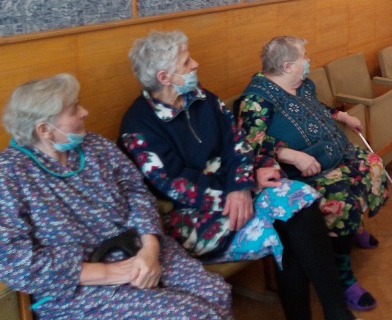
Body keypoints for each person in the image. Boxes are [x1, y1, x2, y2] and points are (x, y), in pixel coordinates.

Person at [120, 30, 356, 320]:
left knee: (300, 203)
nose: (195, 64)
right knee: (287, 231)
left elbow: (238, 143)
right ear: (164, 77)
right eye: (186, 62)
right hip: (193, 214)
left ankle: (335, 311)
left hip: (238, 188)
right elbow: (176, 185)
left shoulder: (203, 98)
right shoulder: (138, 127)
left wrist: (242, 184)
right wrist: (238, 187)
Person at [0, 74, 230, 320]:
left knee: (215, 292)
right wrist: (110, 272)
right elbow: (11, 260)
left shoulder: (96, 146)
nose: (84, 112)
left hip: (139, 247)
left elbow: (137, 192)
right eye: (74, 109)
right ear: (44, 130)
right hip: (80, 285)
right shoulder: (3, 174)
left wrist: (150, 249)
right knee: (189, 315)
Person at [238, 35, 388, 312]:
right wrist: (290, 154)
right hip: (301, 171)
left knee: (372, 165)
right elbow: (251, 143)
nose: (308, 61)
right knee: (340, 199)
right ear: (287, 67)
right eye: (303, 57)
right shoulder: (256, 100)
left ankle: (353, 226)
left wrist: (342, 117)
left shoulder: (302, 85)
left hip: (334, 151)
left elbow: (319, 108)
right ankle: (344, 276)